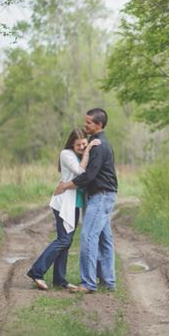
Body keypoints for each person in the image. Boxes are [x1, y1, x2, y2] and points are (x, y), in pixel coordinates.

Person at [27, 128, 101, 290]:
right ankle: (37, 272)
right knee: (63, 240)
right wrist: (88, 150)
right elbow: (80, 171)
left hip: (75, 203)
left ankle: (60, 279)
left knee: (67, 242)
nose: (82, 147)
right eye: (79, 145)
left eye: (84, 144)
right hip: (64, 202)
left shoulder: (81, 156)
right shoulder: (66, 154)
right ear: (71, 144)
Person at [54, 108, 118, 293]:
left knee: (88, 237)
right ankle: (108, 281)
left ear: (99, 125)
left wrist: (66, 185)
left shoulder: (99, 146)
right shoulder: (95, 143)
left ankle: (88, 284)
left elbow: (89, 176)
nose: (85, 124)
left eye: (89, 122)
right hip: (103, 195)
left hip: (101, 195)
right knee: (105, 239)